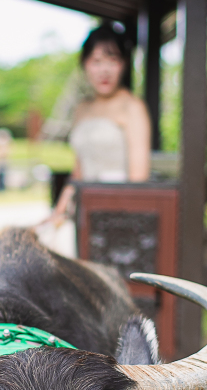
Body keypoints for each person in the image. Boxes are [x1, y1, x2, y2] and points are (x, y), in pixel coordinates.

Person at [40, 24, 151, 254]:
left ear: (124, 65)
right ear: (84, 65)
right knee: (41, 244)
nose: (104, 70)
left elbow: (138, 179)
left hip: (118, 215)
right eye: (96, 61)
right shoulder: (82, 109)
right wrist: (57, 214)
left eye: (112, 61)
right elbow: (78, 173)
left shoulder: (132, 107)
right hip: (82, 211)